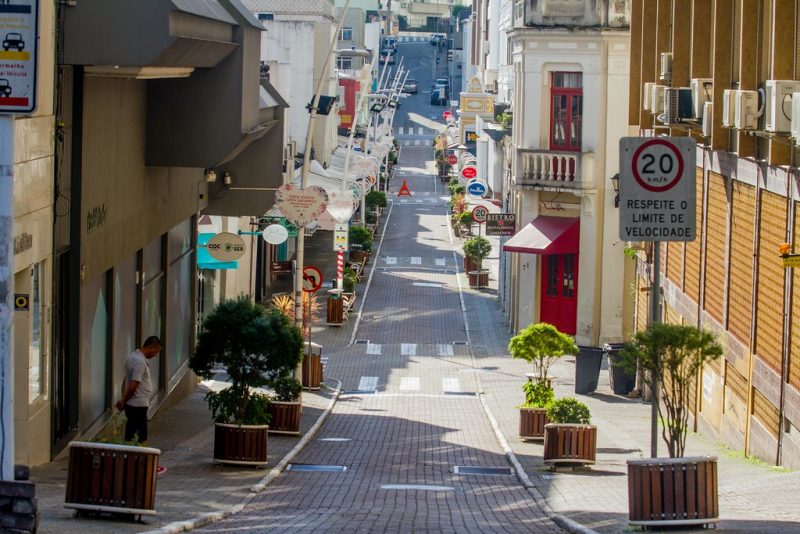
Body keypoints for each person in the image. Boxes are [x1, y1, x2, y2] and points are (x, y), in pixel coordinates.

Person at [116, 336, 162, 443]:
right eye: (156, 352)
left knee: (131, 432)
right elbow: (133, 385)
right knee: (139, 436)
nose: (155, 355)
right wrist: (123, 400)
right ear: (151, 347)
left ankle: (129, 449)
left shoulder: (132, 357)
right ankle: (134, 452)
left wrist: (123, 398)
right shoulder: (140, 362)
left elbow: (126, 379)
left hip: (133, 403)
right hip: (138, 404)